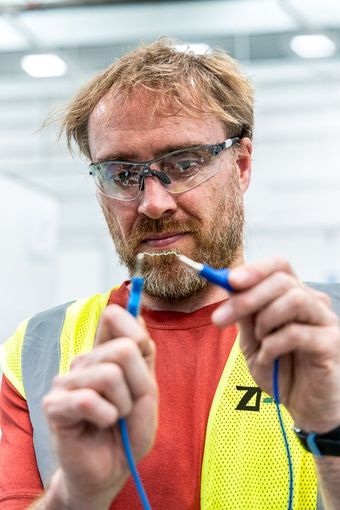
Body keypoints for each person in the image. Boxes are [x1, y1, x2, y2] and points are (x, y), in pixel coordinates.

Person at [1, 38, 340, 510]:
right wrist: (76, 496)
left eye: (184, 164)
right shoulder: (34, 352)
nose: (153, 203)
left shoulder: (326, 336)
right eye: (122, 174)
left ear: (241, 165)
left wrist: (332, 431)